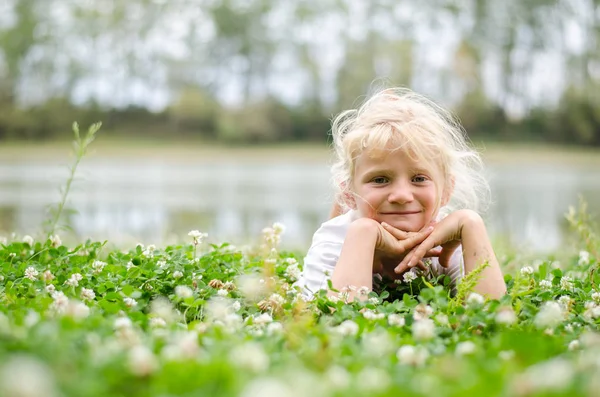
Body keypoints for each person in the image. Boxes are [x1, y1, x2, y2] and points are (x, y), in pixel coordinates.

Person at [296, 87, 506, 301]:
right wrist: (364, 234)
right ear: (348, 194)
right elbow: (333, 320)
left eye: (419, 178)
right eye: (380, 180)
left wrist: (471, 224)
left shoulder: (449, 243)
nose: (402, 196)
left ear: (446, 191)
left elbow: (492, 316)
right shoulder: (334, 239)